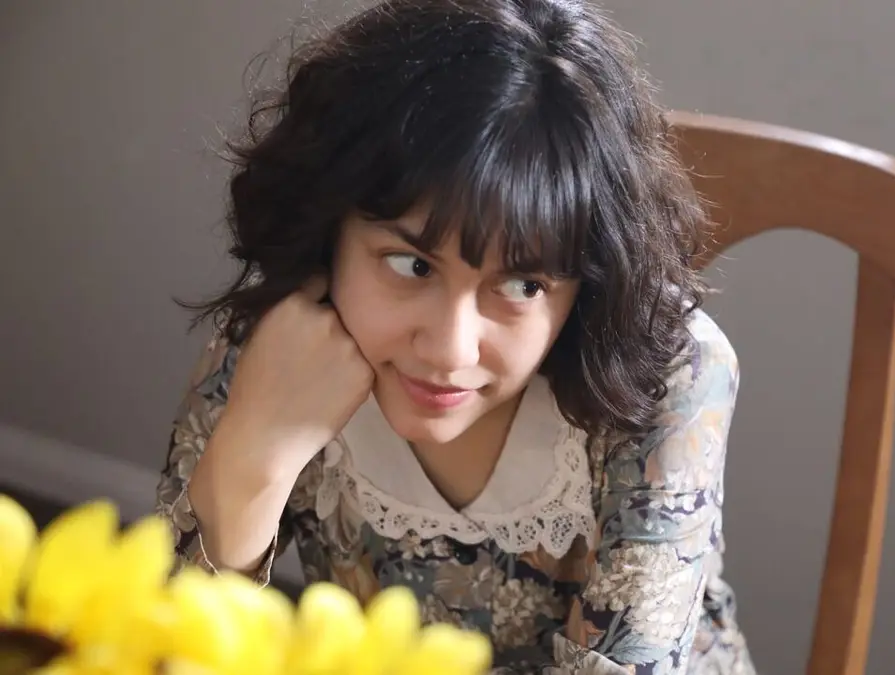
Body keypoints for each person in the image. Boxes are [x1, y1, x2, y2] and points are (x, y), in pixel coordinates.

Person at [154, 1, 753, 673]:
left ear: (588, 277)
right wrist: (252, 464)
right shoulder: (280, 345)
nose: (449, 349)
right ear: (328, 233)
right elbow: (158, 647)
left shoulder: (668, 374)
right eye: (411, 265)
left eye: (522, 285)